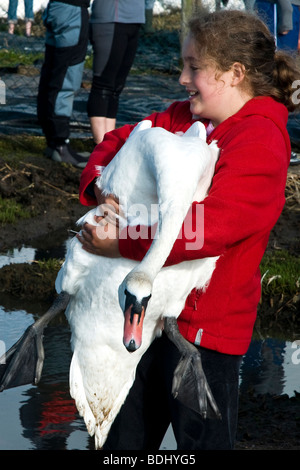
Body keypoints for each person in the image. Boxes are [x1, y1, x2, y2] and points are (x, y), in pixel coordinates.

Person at [76, 9, 299, 449]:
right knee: (121, 445)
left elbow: (208, 229)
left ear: (234, 74)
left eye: (193, 68)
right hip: (147, 324)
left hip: (206, 335)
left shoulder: (260, 141)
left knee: (203, 445)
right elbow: (119, 141)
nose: (182, 78)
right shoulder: (181, 119)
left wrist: (120, 243)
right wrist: (102, 185)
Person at [36, 0, 91, 168]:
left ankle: (53, 142)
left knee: (53, 74)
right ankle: (60, 145)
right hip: (72, 11)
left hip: (59, 8)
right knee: (66, 76)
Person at [87, 0, 145, 144]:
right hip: (110, 18)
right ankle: (101, 146)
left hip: (135, 19)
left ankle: (108, 142)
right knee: (103, 83)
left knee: (116, 87)